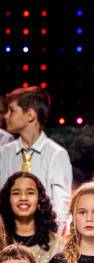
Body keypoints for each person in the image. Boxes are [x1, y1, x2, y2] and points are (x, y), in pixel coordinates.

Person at [0, 86, 72, 231]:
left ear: (30, 115)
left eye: (12, 111)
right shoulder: (4, 153)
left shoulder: (56, 154)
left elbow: (61, 203)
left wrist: (53, 240)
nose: (5, 116)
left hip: (43, 236)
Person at [0, 171, 64, 263]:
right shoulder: (1, 239)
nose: (23, 197)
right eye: (16, 193)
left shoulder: (57, 243)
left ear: (40, 199)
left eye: (30, 192)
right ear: (8, 199)